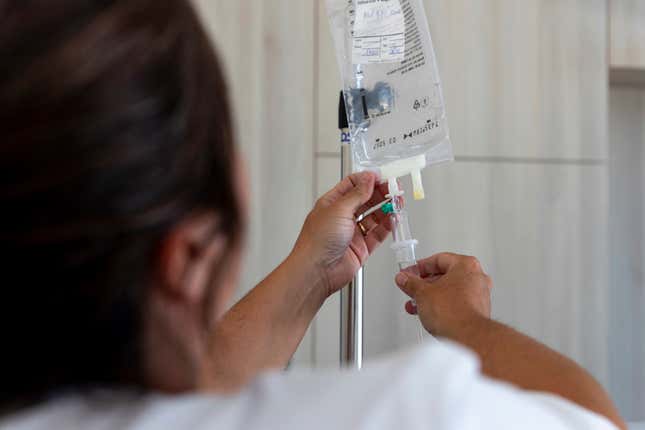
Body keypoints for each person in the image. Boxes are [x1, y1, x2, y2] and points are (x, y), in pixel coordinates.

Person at [0, 1, 626, 429]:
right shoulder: (411, 409)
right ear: (187, 255)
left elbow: (201, 389)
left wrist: (312, 272)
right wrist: (468, 322)